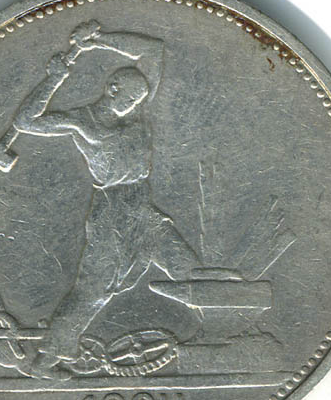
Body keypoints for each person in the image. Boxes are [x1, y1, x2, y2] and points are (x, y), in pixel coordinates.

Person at [12, 21, 201, 373]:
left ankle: (214, 337)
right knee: (95, 289)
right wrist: (52, 80)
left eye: (137, 100)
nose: (133, 105)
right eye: (127, 98)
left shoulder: (138, 106)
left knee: (188, 267)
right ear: (112, 88)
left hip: (142, 207)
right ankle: (46, 360)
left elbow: (152, 49)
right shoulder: (82, 122)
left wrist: (98, 41)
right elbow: (26, 121)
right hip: (112, 214)